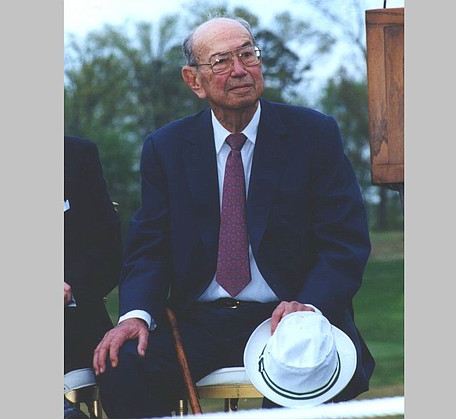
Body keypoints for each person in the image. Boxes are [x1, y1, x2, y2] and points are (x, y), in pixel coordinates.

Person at [93, 16, 374, 418]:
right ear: (194, 80)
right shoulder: (166, 148)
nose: (240, 70)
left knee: (304, 377)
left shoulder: (313, 135)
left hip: (289, 316)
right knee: (124, 361)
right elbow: (149, 248)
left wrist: (310, 305)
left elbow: (344, 243)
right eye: (222, 61)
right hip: (198, 321)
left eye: (248, 54)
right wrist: (135, 315)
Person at [64, 135, 122, 418]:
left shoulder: (76, 156)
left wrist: (70, 285)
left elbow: (109, 249)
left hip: (69, 322)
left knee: (134, 367)